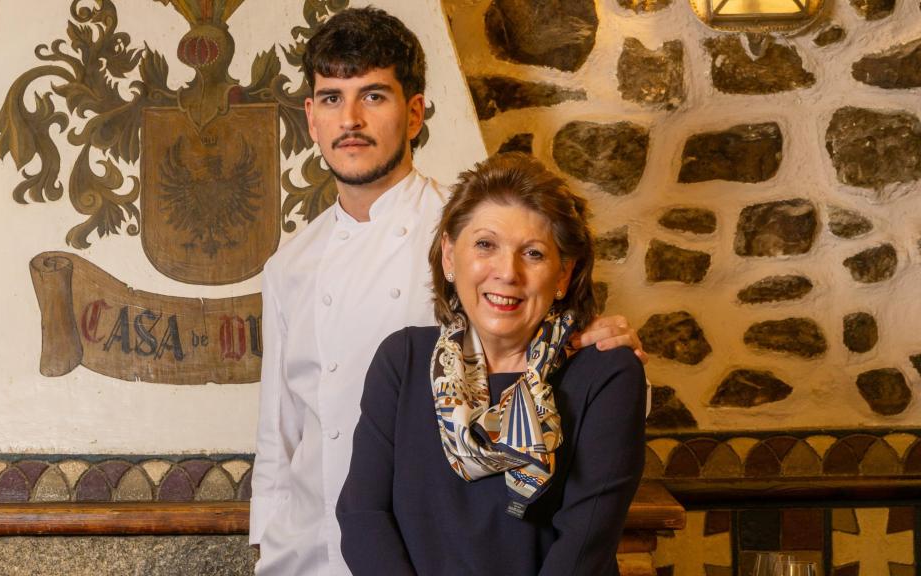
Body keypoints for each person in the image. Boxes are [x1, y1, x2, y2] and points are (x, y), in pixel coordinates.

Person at [250, 8, 645, 576]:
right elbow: (278, 431)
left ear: (414, 114)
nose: (351, 119)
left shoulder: (474, 236)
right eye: (332, 99)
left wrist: (609, 340)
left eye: (374, 96)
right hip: (309, 551)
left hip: (430, 549)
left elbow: (560, 360)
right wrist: (265, 544)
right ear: (311, 118)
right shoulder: (289, 263)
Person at [336, 153, 647, 575]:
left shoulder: (606, 374)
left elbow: (583, 547)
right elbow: (362, 516)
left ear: (563, 275)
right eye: (485, 244)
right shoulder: (402, 361)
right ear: (449, 256)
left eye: (534, 253)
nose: (507, 272)